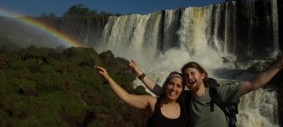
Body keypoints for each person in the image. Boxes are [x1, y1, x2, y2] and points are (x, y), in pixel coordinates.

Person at [129, 57, 283, 127]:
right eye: (186, 76)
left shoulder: (219, 93)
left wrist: (278, 65)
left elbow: (253, 83)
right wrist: (139, 73)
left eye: (192, 73)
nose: (189, 77)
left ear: (202, 76)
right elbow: (161, 90)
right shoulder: (185, 96)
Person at [95, 66, 187, 127]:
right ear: (165, 85)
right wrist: (108, 78)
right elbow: (126, 97)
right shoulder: (153, 103)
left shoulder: (185, 106)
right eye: (171, 84)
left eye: (178, 86)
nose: (174, 88)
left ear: (182, 90)